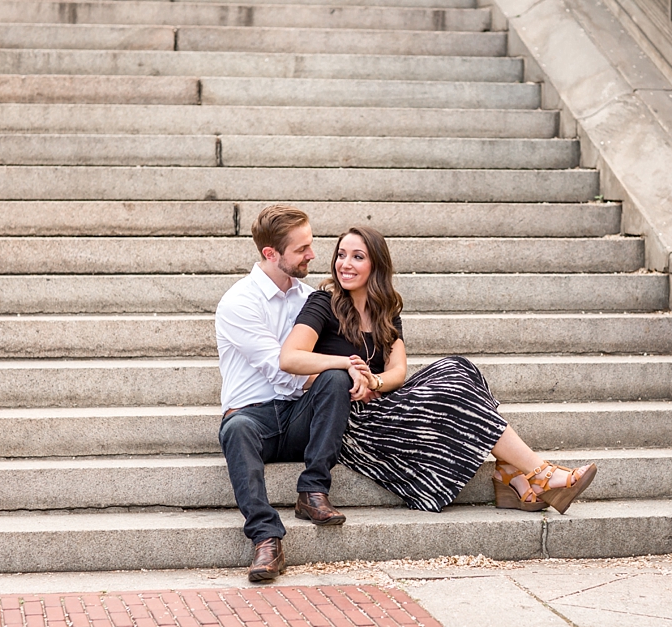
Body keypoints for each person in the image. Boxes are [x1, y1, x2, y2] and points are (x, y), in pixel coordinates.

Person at [279, 226, 598, 515]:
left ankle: (512, 471)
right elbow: (291, 358)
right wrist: (347, 369)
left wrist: (373, 379)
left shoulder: (385, 311)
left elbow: (398, 371)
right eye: (341, 255)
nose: (345, 264)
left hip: (381, 404)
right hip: (347, 419)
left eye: (357, 257)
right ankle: (533, 472)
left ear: (375, 264)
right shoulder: (323, 303)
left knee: (460, 368)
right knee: (452, 392)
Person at [215, 205, 365, 583]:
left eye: (311, 245)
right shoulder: (239, 302)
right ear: (271, 253)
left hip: (299, 418)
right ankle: (266, 536)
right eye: (302, 249)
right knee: (236, 429)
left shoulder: (310, 299)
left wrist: (352, 370)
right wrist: (332, 365)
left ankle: (312, 490)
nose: (313, 255)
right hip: (255, 419)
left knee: (334, 377)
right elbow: (280, 369)